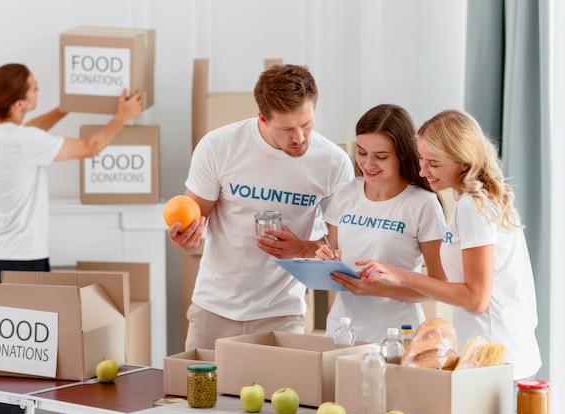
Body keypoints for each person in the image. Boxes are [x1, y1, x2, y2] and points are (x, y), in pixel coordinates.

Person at [0, 63, 142, 414]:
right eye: (35, 88)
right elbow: (91, 146)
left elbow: (29, 130)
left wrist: (64, 108)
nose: (40, 92)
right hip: (25, 264)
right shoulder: (23, 140)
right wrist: (122, 116)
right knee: (22, 368)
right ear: (19, 103)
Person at [169, 64, 354, 351]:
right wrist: (185, 240)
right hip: (215, 307)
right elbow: (194, 220)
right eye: (287, 129)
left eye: (306, 124)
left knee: (280, 396)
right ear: (263, 119)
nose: (299, 138)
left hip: (282, 312)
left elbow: (342, 242)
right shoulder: (218, 147)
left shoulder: (333, 162)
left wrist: (300, 248)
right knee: (199, 395)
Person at [359, 109, 541, 382]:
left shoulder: (472, 208)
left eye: (433, 163)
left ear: (464, 163)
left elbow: (476, 298)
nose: (422, 170)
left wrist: (402, 275)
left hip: (495, 359)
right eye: (421, 159)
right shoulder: (478, 201)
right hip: (499, 355)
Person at [314, 104, 447, 343]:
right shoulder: (344, 194)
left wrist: (380, 289)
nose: (368, 164)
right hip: (341, 330)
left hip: (396, 335)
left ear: (403, 154)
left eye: (381, 157)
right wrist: (323, 258)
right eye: (362, 152)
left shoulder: (423, 204)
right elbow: (331, 254)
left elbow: (438, 285)